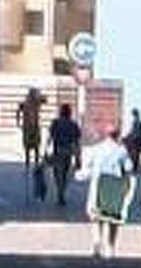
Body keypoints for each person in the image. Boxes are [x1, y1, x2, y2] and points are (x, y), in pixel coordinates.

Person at [83, 123, 134, 256]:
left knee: (96, 217)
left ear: (106, 135)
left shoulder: (97, 149)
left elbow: (87, 167)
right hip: (115, 187)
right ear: (117, 135)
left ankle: (96, 243)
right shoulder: (122, 151)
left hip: (98, 185)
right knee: (113, 219)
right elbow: (129, 169)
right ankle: (110, 246)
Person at [46, 103, 82, 205]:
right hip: (68, 151)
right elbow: (77, 143)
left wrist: (45, 151)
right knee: (65, 174)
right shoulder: (74, 125)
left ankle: (60, 193)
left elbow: (50, 138)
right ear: (70, 113)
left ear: (61, 112)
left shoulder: (55, 123)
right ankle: (61, 194)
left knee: (57, 174)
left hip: (58, 150)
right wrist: (78, 157)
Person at [18, 87, 45, 169]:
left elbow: (45, 99)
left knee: (33, 145)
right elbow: (18, 111)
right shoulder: (31, 103)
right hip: (31, 127)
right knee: (32, 145)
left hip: (30, 126)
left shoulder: (35, 102)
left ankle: (30, 162)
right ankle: (30, 162)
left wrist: (18, 121)